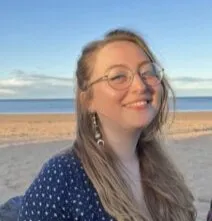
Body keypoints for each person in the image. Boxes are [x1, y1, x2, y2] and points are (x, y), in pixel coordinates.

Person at [18, 28, 197, 221]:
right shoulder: (62, 177)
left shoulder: (163, 168)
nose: (140, 85)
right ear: (88, 100)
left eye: (148, 72)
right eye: (118, 76)